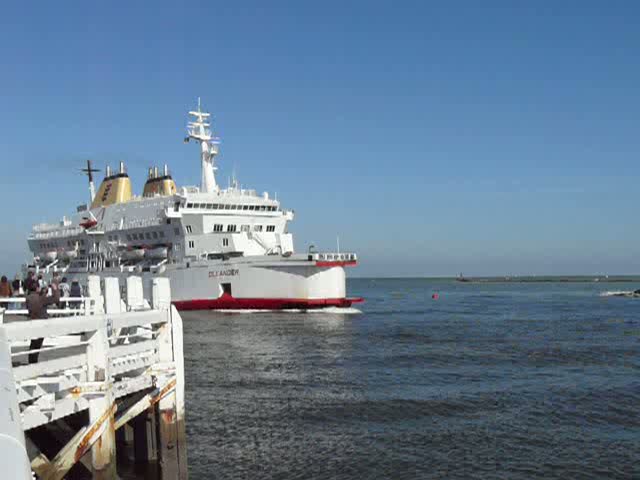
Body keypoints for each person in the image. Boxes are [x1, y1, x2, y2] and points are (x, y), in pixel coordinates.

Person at [25, 284, 60, 364]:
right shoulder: (41, 299)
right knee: (37, 345)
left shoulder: (28, 298)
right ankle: (34, 362)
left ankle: (32, 362)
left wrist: (43, 292)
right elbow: (56, 299)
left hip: (33, 322)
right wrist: (55, 289)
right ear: (37, 289)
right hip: (41, 323)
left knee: (33, 344)